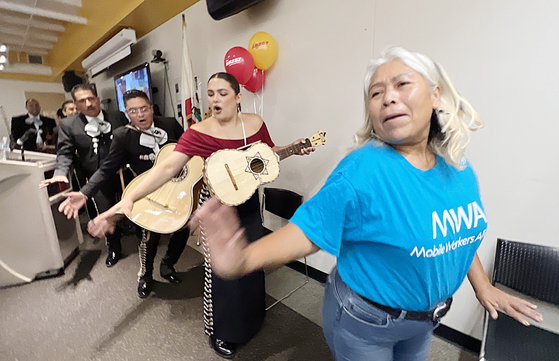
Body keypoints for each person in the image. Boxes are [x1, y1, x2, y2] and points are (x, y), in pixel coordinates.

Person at [185, 48, 544, 361]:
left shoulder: (458, 167)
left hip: (425, 321)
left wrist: (483, 287)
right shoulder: (363, 170)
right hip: (369, 321)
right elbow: (308, 231)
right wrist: (244, 259)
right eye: (376, 92)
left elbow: (457, 232)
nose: (388, 97)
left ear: (436, 94)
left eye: (402, 84)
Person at [88, 72, 314, 358]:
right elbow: (167, 169)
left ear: (238, 97)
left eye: (222, 93)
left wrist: (293, 148)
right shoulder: (199, 132)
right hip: (217, 207)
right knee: (222, 273)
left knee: (252, 263)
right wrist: (129, 198)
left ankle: (252, 320)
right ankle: (224, 333)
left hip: (248, 204)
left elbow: (268, 153)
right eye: (210, 93)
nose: (215, 99)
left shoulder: (255, 124)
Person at [58, 90, 189, 298]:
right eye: (133, 111)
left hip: (177, 189)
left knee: (183, 228)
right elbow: (106, 168)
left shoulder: (170, 124)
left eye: (144, 109)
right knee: (149, 237)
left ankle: (168, 266)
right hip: (146, 193)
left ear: (151, 108)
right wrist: (84, 193)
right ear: (127, 114)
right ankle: (145, 275)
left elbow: (191, 151)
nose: (140, 115)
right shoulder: (123, 135)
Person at [40, 83, 128, 267]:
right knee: (104, 212)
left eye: (91, 98)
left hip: (123, 173)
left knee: (129, 205)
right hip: (96, 178)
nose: (88, 104)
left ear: (97, 99)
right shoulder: (69, 124)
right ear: (75, 104)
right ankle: (114, 247)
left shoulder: (117, 116)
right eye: (82, 101)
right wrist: (60, 172)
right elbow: (65, 153)